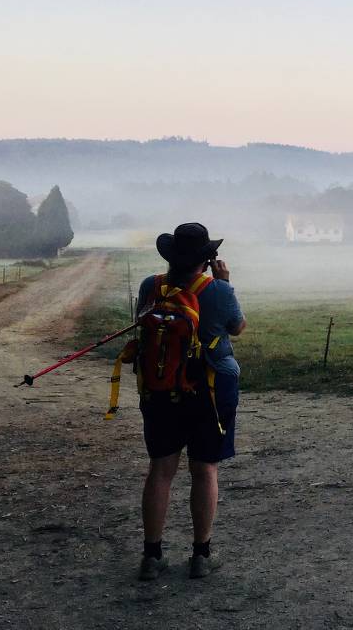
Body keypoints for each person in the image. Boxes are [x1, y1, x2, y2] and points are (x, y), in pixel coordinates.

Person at [136, 222, 245, 581]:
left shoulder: (151, 286)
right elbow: (237, 327)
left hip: (160, 390)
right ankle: (201, 555)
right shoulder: (217, 290)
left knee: (161, 470)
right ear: (207, 259)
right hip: (210, 390)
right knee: (205, 470)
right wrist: (225, 281)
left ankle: (152, 557)